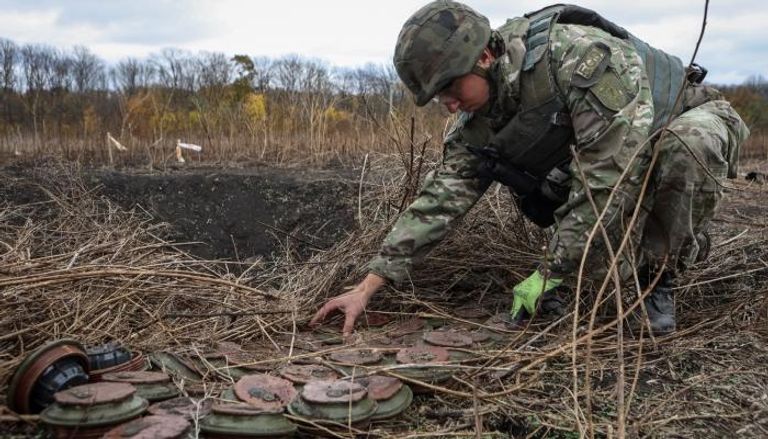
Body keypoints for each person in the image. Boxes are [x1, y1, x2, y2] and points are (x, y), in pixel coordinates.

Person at [311, 1, 750, 337]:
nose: (446, 102)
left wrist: (549, 274)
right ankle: (613, 267)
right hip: (615, 157)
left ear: (484, 57)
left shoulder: (579, 59)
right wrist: (368, 286)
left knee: (686, 146)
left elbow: (608, 181)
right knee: (556, 188)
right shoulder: (475, 125)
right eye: (434, 95)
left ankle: (658, 277)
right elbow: (438, 202)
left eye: (448, 86)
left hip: (683, 120)